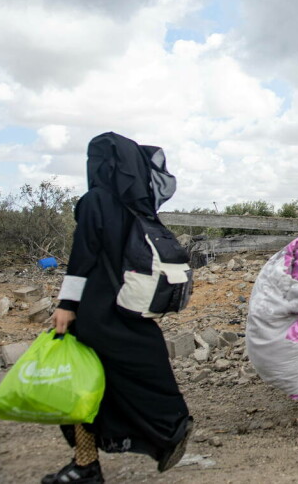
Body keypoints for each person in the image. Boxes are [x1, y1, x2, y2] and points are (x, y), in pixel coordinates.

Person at [47, 133, 192, 484]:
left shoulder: (95, 200)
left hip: (96, 310)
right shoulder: (138, 205)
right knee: (135, 369)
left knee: (80, 384)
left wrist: (66, 305)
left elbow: (83, 257)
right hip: (131, 307)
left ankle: (87, 464)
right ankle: (168, 427)